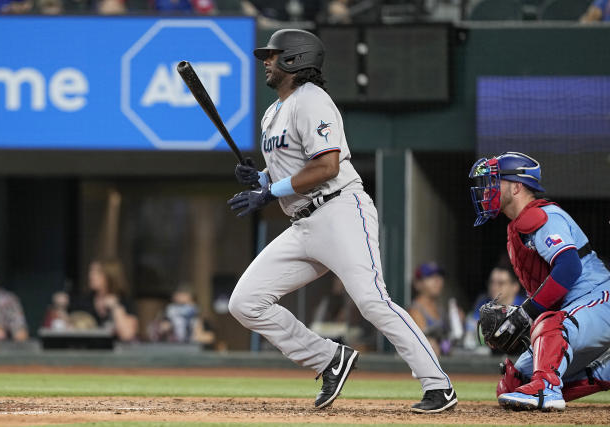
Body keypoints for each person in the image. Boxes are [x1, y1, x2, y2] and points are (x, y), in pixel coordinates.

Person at [226, 29, 456, 413]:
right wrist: (262, 179)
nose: (266, 61)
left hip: (339, 210)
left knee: (372, 300)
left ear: (295, 59)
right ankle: (327, 359)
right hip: (302, 223)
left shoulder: (312, 100)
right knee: (246, 302)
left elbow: (326, 165)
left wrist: (269, 191)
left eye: (273, 54)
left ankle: (438, 385)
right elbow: (292, 168)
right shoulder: (273, 112)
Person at [468, 151, 610, 411]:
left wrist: (527, 313)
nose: (487, 190)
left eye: (495, 181)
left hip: (599, 298)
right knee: (513, 383)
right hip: (575, 310)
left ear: (517, 186)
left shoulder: (544, 216)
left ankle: (547, 390)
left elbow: (568, 267)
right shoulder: (516, 228)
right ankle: (603, 372)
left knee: (551, 324)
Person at [66, 259, 138, 341]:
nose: (91, 276)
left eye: (97, 272)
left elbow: (127, 335)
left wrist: (115, 307)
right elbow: (70, 328)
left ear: (109, 275)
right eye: (91, 271)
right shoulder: (84, 301)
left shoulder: (123, 301)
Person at [147, 287, 215, 348]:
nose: (183, 309)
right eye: (179, 305)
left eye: (186, 304)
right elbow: (152, 335)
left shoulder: (199, 319)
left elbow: (210, 337)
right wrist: (163, 329)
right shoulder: (165, 317)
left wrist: (198, 334)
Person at [407, 262, 450, 356]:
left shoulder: (441, 309)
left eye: (439, 276)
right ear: (418, 283)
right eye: (430, 276)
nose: (437, 280)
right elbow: (424, 349)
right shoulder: (415, 311)